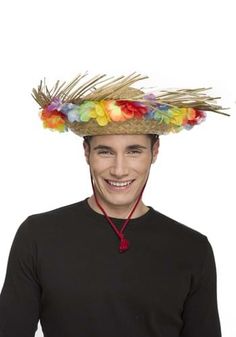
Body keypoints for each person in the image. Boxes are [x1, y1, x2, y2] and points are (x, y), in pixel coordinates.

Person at [0, 73, 226, 337]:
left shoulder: (192, 248)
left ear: (155, 152)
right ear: (87, 153)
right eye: (105, 151)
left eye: (134, 151)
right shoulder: (38, 235)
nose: (119, 170)